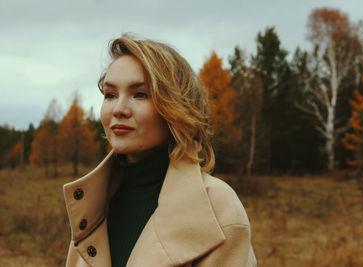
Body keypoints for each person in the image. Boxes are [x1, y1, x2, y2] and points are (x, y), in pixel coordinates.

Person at [63, 34, 257, 267]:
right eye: (110, 95)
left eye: (140, 94)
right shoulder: (92, 204)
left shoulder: (219, 209)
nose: (119, 109)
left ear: (176, 106)